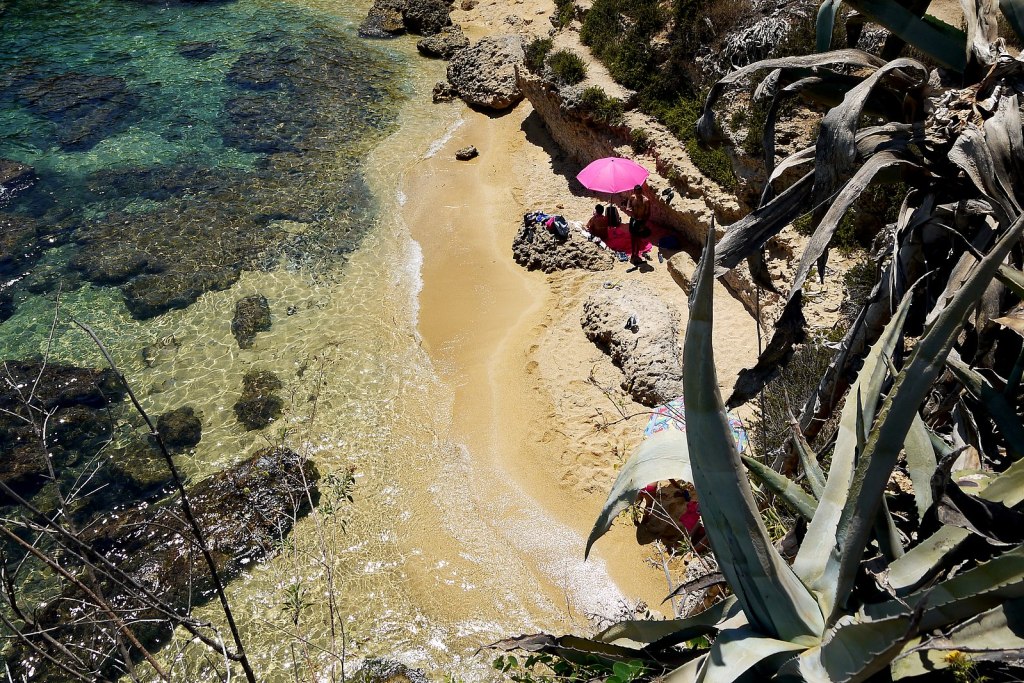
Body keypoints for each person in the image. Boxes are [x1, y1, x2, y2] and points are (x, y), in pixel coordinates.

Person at [624, 184, 651, 264]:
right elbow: (628, 205)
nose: (638, 194)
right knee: (633, 237)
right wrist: (629, 209)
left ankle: (637, 254)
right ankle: (633, 254)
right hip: (633, 219)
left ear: (641, 191)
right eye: (637, 193)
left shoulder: (646, 201)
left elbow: (648, 213)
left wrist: (644, 224)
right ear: (634, 192)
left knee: (638, 238)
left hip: (641, 221)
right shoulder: (632, 198)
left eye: (639, 192)